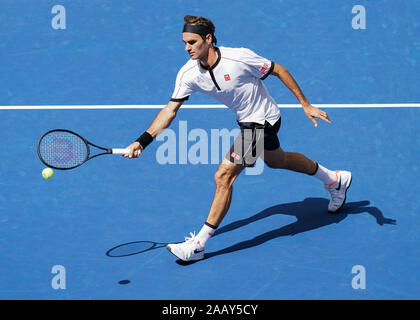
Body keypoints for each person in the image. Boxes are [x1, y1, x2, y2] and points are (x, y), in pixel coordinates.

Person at [124, 15, 352, 262]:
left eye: (192, 42)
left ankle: (198, 245)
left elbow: (278, 70)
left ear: (208, 39)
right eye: (184, 43)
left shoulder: (238, 58)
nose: (187, 48)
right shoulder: (188, 73)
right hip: (247, 122)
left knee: (224, 175)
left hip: (264, 119)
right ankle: (335, 179)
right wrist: (142, 141)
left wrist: (304, 104)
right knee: (278, 161)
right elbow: (170, 110)